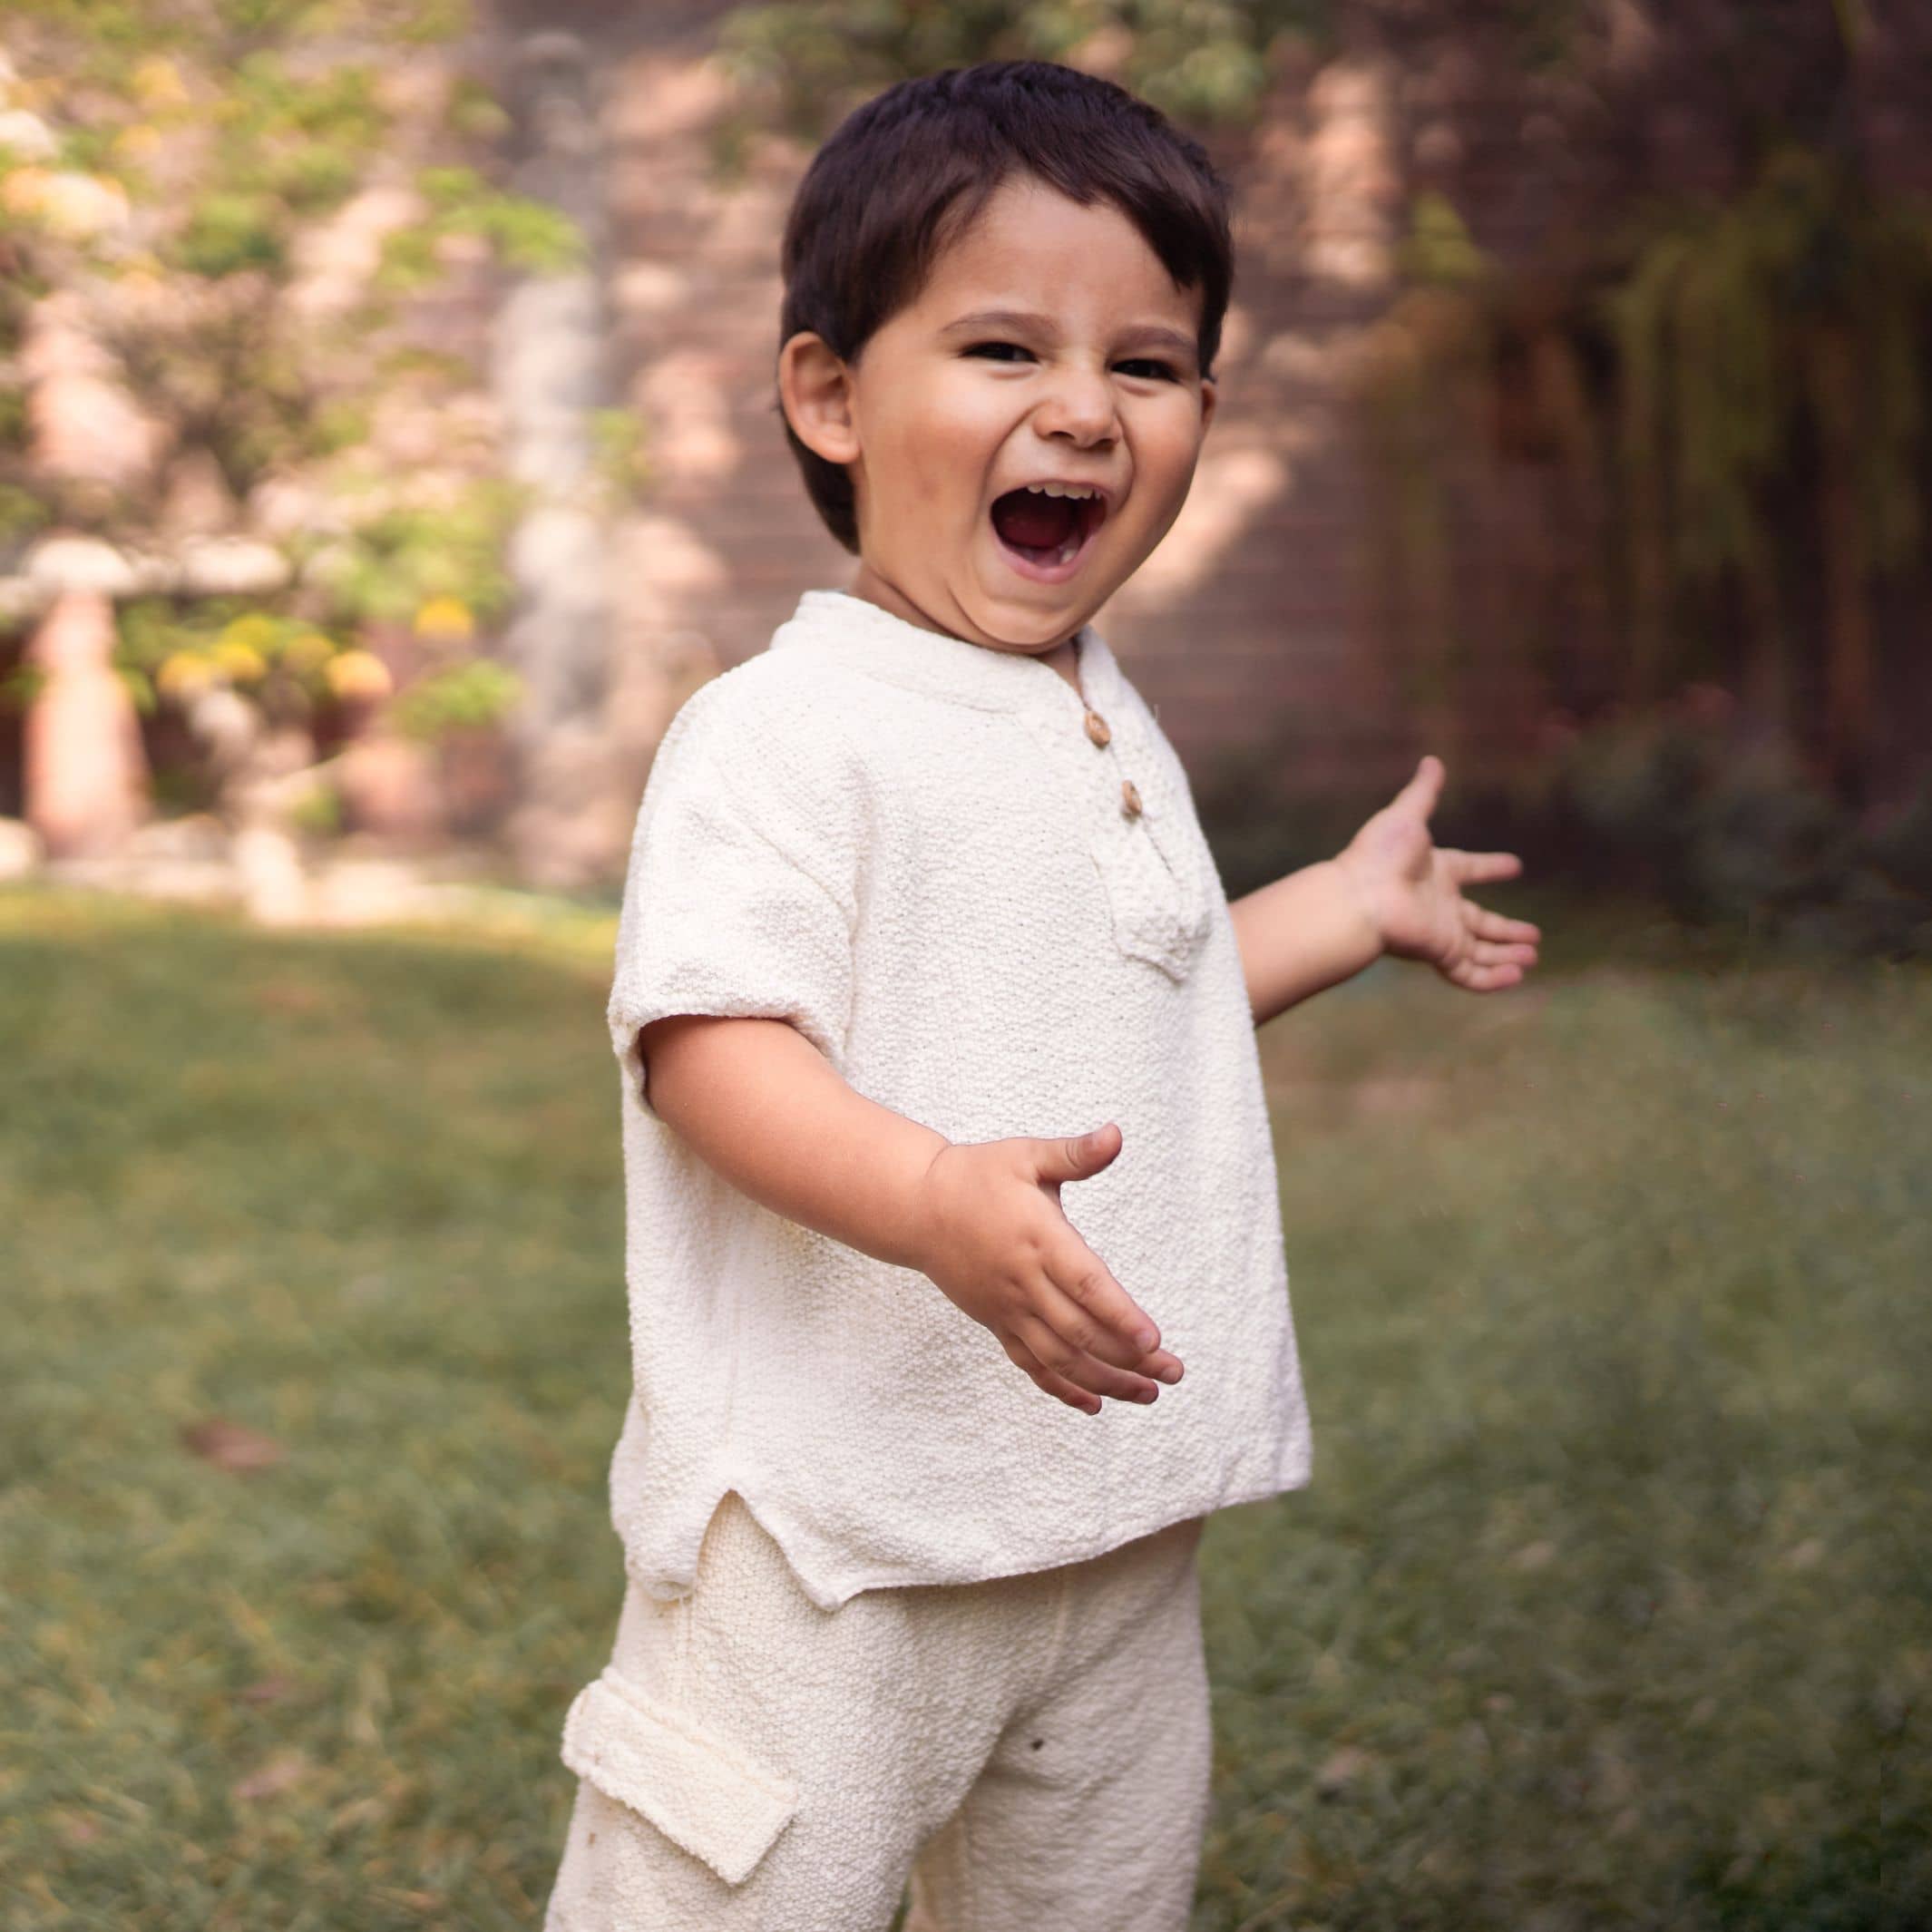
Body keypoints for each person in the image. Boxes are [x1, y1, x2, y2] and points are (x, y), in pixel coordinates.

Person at [542, 57, 1541, 1932]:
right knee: (736, 1895)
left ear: (1201, 413)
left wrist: (1339, 905)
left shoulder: (1094, 702)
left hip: (1107, 1532)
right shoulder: (786, 729)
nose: (1082, 412)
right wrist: (932, 1201)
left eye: (1145, 368)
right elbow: (710, 1048)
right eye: (1003, 350)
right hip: (834, 1556)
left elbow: (1130, 1023)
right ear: (831, 395)